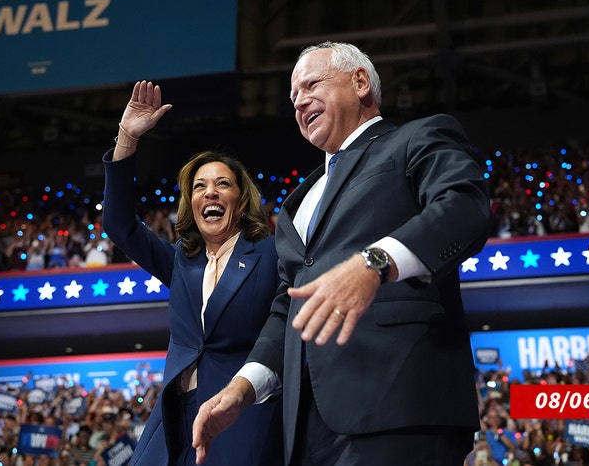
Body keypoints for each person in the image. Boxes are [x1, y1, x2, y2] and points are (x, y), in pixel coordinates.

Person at [192, 41, 492, 465]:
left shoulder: (414, 138)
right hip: (306, 430)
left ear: (360, 82)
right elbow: (288, 307)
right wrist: (243, 387)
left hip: (399, 408)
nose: (299, 102)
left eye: (311, 85)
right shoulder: (298, 202)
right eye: (293, 97)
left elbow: (465, 206)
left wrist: (374, 264)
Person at [101, 80, 283, 465]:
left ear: (241, 197)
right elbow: (119, 225)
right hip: (172, 421)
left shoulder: (270, 254)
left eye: (222, 184)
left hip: (237, 420)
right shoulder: (180, 262)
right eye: (199, 186)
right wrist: (127, 140)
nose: (210, 193)